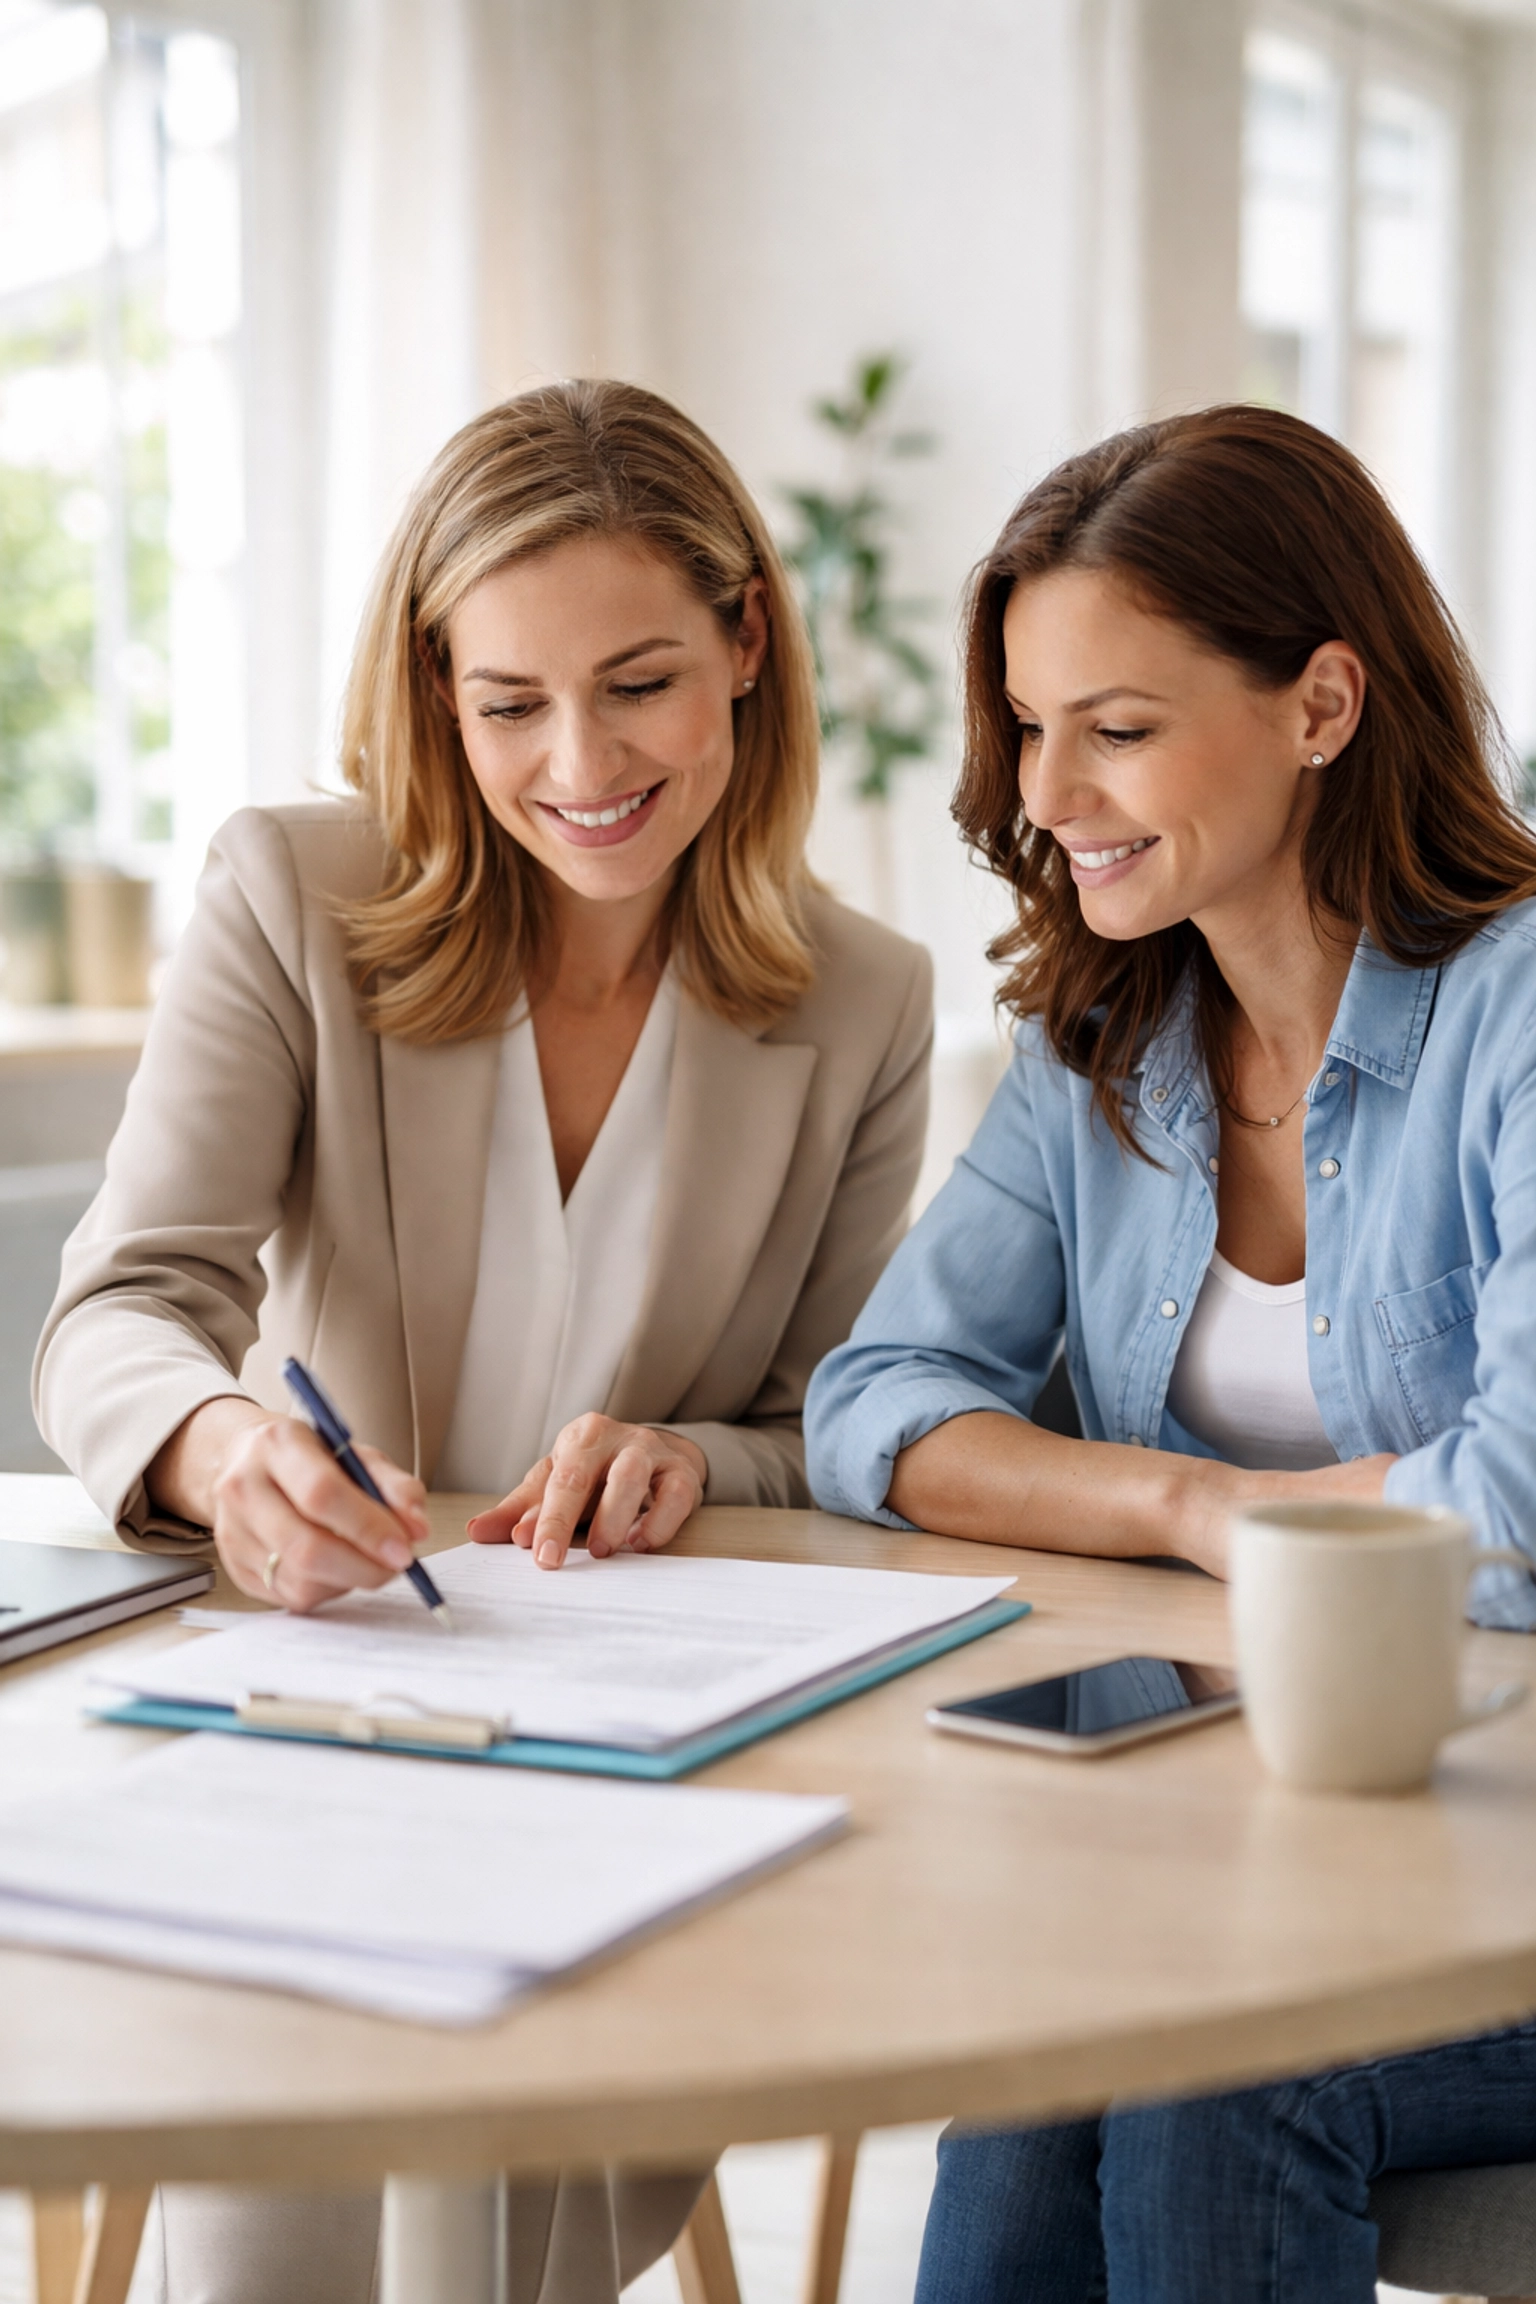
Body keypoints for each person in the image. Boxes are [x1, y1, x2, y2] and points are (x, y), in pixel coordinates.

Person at [37, 378, 931, 2304]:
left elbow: (841, 1424)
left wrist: (708, 1461)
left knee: (524, 2233)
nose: (579, 762)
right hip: (319, 1711)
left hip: (648, 1747)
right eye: (507, 701)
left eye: (639, 684)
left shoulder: (862, 1003)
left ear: (746, 648)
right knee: (285, 2204)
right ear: (437, 692)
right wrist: (218, 1458)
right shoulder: (297, 894)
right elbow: (126, 1306)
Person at [803, 403, 1536, 2303]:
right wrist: (1195, 1503)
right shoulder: (1099, 1043)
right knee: (1053, 2049)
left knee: (1211, 2067)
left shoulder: (1521, 1013)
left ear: (1321, 704)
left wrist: (1224, 1527)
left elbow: (1522, 1515)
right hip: (1258, 1836)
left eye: (1116, 728)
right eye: (1033, 726)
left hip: (1498, 1859)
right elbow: (876, 1407)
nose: (1050, 789)